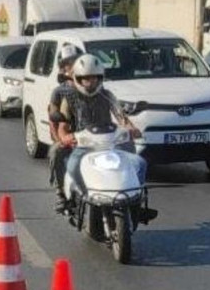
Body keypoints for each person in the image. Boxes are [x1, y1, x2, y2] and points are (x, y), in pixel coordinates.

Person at [56, 53, 144, 190]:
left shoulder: (107, 95)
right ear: (78, 79)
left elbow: (121, 117)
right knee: (72, 166)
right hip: (83, 145)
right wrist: (64, 137)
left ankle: (134, 198)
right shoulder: (69, 99)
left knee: (139, 163)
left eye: (95, 78)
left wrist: (132, 129)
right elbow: (62, 126)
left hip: (111, 143)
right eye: (86, 79)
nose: (91, 82)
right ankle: (79, 193)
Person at [49, 44, 82, 212]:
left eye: (76, 61)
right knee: (56, 152)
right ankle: (61, 192)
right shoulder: (59, 92)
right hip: (68, 137)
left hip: (92, 137)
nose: (72, 65)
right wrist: (60, 140)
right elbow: (54, 121)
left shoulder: (94, 86)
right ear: (63, 68)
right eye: (68, 63)